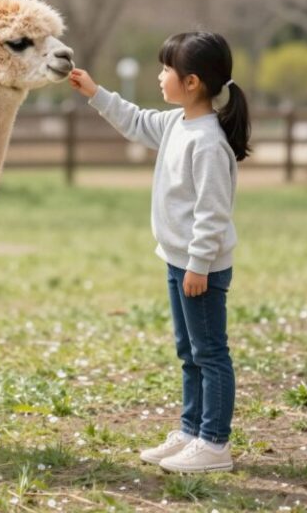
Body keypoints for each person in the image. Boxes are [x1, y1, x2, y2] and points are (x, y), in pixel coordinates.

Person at [68, 32, 251, 473]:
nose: (159, 76)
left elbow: (212, 213)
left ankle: (214, 443)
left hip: (198, 268)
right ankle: (191, 432)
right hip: (177, 260)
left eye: (166, 70)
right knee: (188, 352)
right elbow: (134, 121)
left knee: (210, 353)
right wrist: (95, 92)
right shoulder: (176, 124)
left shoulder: (207, 142)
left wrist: (199, 265)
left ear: (191, 82)